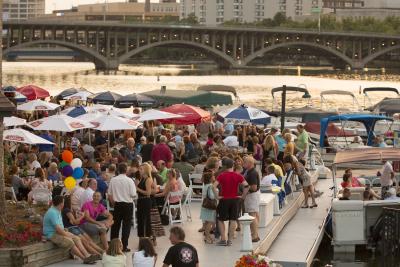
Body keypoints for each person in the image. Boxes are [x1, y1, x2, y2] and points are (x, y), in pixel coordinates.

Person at [43, 196, 98, 264]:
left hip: (59, 232)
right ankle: (84, 259)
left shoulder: (57, 210)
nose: (64, 203)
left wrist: (65, 231)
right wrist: (67, 235)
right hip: (52, 234)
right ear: (61, 203)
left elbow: (59, 227)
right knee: (70, 241)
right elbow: (57, 228)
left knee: (77, 238)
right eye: (63, 202)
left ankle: (87, 255)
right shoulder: (52, 212)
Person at [214, 158, 249, 246]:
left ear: (225, 166)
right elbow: (247, 186)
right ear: (233, 166)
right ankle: (229, 240)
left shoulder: (221, 175)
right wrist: (243, 196)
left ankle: (223, 239)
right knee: (233, 219)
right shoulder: (238, 175)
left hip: (224, 199)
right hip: (235, 200)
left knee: (220, 219)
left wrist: (217, 196)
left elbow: (213, 186)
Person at [109, 163, 137, 252]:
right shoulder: (130, 180)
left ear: (118, 170)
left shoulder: (113, 180)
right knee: (126, 226)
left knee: (115, 226)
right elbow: (133, 194)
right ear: (126, 170)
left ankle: (113, 247)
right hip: (128, 205)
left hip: (117, 204)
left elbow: (110, 194)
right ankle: (124, 246)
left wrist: (114, 203)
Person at [242, 156, 261, 242]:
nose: (243, 163)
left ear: (250, 163)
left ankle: (254, 235)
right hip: (252, 196)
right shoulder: (248, 171)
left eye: (245, 162)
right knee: (254, 214)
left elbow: (253, 187)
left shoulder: (252, 173)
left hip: (252, 196)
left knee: (252, 215)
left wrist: (245, 187)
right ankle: (255, 233)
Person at [136, 163, 154, 240]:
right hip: (140, 201)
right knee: (140, 220)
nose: (139, 170)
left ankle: (148, 237)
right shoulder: (142, 179)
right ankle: (141, 237)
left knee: (146, 220)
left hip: (145, 201)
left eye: (141, 169)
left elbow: (148, 193)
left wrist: (137, 188)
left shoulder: (148, 179)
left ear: (146, 170)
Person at [200, 172, 218, 244]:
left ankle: (207, 236)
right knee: (209, 222)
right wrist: (216, 194)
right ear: (210, 178)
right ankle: (207, 237)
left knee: (207, 221)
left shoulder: (205, 186)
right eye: (213, 176)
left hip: (205, 206)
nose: (214, 177)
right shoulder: (211, 186)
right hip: (210, 207)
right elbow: (211, 196)